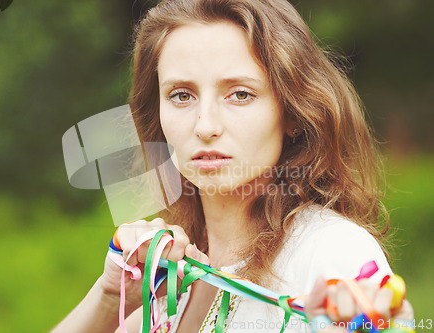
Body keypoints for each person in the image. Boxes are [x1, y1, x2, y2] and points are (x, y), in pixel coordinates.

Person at [52, 0, 414, 332]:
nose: (205, 125)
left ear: (292, 112)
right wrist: (111, 297)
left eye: (240, 94)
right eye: (181, 95)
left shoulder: (331, 256)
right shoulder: (164, 276)